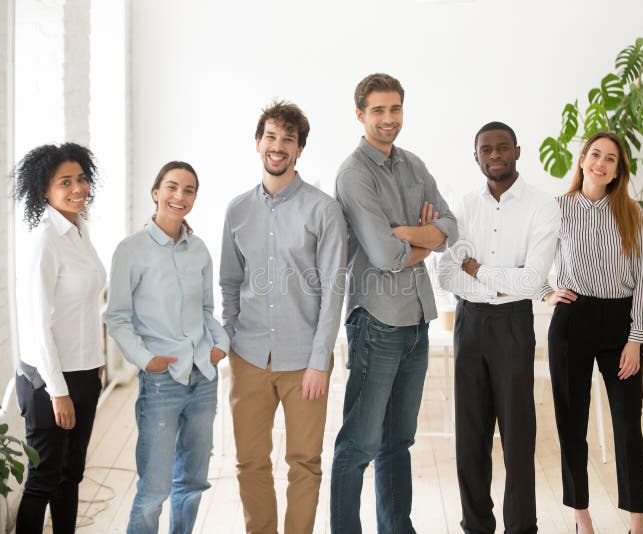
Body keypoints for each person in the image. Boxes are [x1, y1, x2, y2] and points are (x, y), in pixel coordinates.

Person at [330, 72, 458, 534]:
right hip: (376, 321)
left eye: (395, 109)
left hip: (417, 320)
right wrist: (420, 241)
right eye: (378, 110)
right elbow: (383, 256)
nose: (388, 119)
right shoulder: (353, 174)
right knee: (359, 444)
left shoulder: (414, 166)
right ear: (360, 114)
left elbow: (452, 227)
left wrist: (404, 234)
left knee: (397, 441)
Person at [219, 100, 347, 534]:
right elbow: (230, 283)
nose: (278, 146)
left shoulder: (323, 209)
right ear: (258, 143)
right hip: (249, 356)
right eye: (271, 137)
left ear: (299, 150)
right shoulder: (237, 211)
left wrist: (318, 361)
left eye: (288, 140)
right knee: (250, 461)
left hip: (304, 362)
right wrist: (233, 339)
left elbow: (334, 290)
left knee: (304, 463)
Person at [437, 121, 560, 534]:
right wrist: (493, 275)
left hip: (512, 325)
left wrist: (476, 268)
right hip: (469, 322)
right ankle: (476, 527)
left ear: (517, 152)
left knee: (517, 437)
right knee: (470, 437)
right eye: (486, 150)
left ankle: (522, 528)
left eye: (502, 148)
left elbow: (532, 282)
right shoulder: (463, 204)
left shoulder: (542, 206)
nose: (495, 156)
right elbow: (446, 276)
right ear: (476, 157)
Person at [104, 161, 230, 534]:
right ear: (156, 192)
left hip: (204, 377)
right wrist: (147, 361)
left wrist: (219, 344)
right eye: (172, 187)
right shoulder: (131, 250)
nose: (180, 196)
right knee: (154, 490)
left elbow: (207, 311)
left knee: (192, 484)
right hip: (162, 381)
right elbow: (118, 318)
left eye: (188, 190)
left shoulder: (199, 250)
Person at [539, 132, 643, 534]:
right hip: (572, 320)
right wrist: (545, 292)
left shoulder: (631, 212)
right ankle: (580, 515)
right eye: (595, 155)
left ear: (619, 171)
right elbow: (532, 261)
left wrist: (637, 339)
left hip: (620, 325)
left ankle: (637, 519)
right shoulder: (557, 209)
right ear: (583, 159)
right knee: (571, 420)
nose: (601, 163)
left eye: (611, 160)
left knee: (627, 422)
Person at [12, 143, 105, 534]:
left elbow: (81, 308)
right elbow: (37, 324)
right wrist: (58, 391)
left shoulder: (78, 231)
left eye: (81, 178)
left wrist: (95, 364)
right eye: (64, 182)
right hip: (50, 380)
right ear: (44, 190)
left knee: (71, 476)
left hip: (83, 373)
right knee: (44, 478)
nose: (77, 188)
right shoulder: (45, 240)